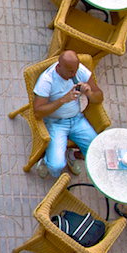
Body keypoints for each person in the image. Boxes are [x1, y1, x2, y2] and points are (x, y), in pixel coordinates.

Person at [32, 50, 104, 178]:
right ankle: (46, 161)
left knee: (97, 151)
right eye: (70, 71)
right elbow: (38, 112)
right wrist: (62, 100)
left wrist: (89, 93)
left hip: (77, 120)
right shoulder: (47, 80)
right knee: (56, 165)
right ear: (59, 66)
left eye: (75, 70)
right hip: (56, 122)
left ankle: (73, 155)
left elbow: (99, 98)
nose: (74, 74)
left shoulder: (79, 71)